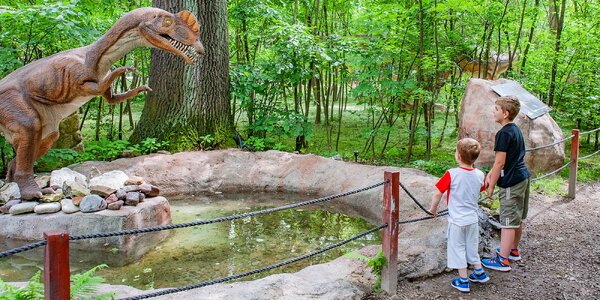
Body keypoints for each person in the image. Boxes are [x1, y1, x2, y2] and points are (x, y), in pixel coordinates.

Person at [429, 138, 489, 293]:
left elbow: (437, 194)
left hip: (457, 221)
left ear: (458, 156)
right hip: (472, 220)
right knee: (471, 247)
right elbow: (482, 187)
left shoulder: (452, 174)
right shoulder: (480, 174)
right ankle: (479, 272)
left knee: (457, 248)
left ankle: (463, 280)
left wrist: (433, 210)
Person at [481, 95, 531, 272]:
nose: (493, 112)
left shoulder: (503, 133)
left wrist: (491, 184)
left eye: (496, 109)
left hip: (511, 181)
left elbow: (500, 162)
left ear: (505, 113)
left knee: (508, 220)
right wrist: (491, 175)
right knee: (518, 218)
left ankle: (503, 260)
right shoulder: (515, 129)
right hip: (522, 176)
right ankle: (512, 250)